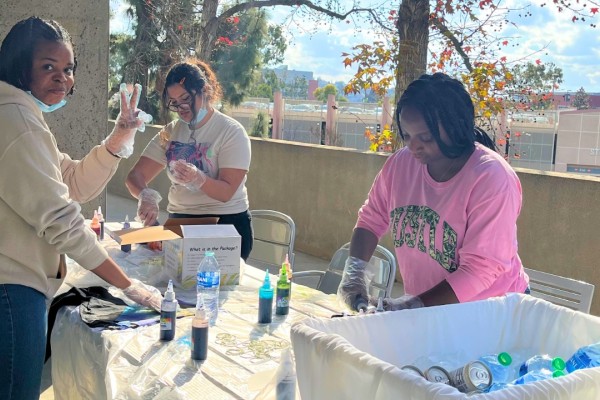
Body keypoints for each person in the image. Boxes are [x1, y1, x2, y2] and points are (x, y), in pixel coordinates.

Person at [0, 17, 163, 399]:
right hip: (11, 288)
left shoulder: (20, 114)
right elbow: (62, 220)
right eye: (48, 67)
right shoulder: (16, 118)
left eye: (68, 68)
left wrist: (119, 137)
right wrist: (128, 285)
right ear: (20, 66)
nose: (62, 78)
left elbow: (73, 182)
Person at [337, 72, 529, 312]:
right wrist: (354, 272)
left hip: (488, 313)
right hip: (431, 309)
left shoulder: (491, 177)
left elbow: (480, 269)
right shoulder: (400, 165)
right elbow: (371, 219)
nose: (413, 146)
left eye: (425, 137)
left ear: (454, 128)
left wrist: (413, 305)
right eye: (407, 135)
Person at [126, 59, 253, 260]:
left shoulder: (231, 131)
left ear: (205, 91)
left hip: (225, 225)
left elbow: (227, 192)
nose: (181, 107)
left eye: (186, 98)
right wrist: (145, 195)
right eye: (174, 102)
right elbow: (135, 176)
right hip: (180, 224)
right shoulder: (171, 131)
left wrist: (199, 179)